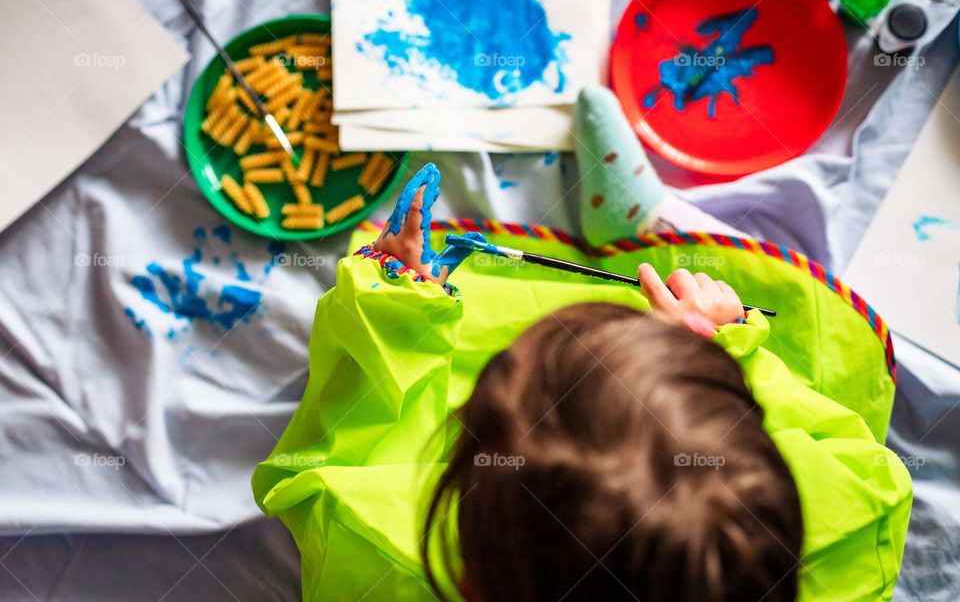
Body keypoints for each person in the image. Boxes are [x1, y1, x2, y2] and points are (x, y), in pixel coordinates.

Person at [252, 89, 911, 602]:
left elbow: (327, 461)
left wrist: (391, 303)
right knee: (820, 339)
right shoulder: (856, 517)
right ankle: (653, 232)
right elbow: (836, 451)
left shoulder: (380, 560)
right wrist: (719, 354)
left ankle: (655, 234)